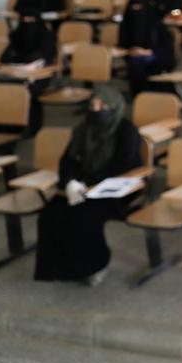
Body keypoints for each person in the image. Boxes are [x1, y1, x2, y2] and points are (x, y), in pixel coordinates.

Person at [35, 87, 141, 285]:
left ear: (115, 107)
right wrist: (70, 182)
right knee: (51, 214)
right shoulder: (82, 129)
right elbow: (68, 160)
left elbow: (122, 165)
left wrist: (88, 183)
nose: (97, 110)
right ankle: (62, 267)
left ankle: (97, 265)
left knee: (86, 217)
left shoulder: (126, 130)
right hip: (82, 186)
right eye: (93, 105)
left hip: (116, 188)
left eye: (103, 106)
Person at [0, 14, 56, 134]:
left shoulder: (47, 37)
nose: (28, 24)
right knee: (5, 91)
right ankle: (8, 129)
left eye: (31, 20)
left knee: (29, 91)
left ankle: (30, 127)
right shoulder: (16, 36)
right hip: (15, 75)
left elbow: (47, 59)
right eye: (24, 20)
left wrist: (27, 63)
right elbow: (4, 58)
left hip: (40, 75)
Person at [116, 0, 176, 97]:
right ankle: (139, 96)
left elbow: (166, 46)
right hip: (133, 56)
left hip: (156, 56)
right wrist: (130, 50)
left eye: (139, 8)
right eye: (133, 8)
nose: (136, 12)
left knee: (138, 63)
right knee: (136, 63)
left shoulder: (155, 25)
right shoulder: (126, 25)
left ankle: (143, 94)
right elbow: (123, 44)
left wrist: (148, 52)